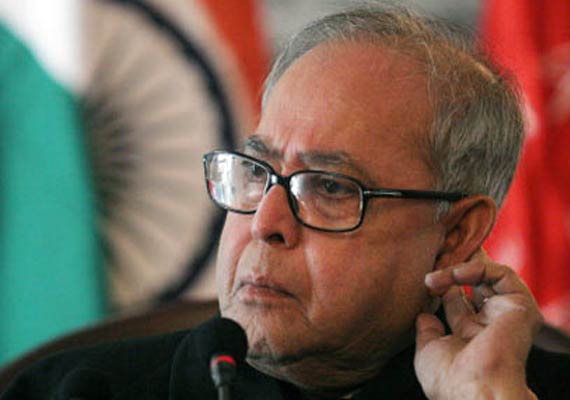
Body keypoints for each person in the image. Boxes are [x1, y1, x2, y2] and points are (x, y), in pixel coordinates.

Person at [2, 5, 570, 399]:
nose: (265, 224)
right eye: (257, 171)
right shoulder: (76, 390)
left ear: (454, 234)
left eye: (329, 187)